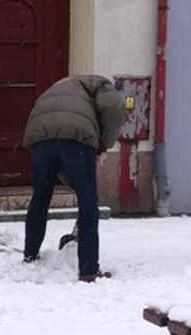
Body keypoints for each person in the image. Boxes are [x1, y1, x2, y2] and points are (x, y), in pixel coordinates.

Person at [22, 74, 126, 282]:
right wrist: (103, 146)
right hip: (75, 137)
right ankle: (88, 271)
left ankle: (30, 255)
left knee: (40, 199)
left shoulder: (55, 88)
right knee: (88, 203)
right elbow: (114, 105)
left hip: (41, 137)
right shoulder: (98, 84)